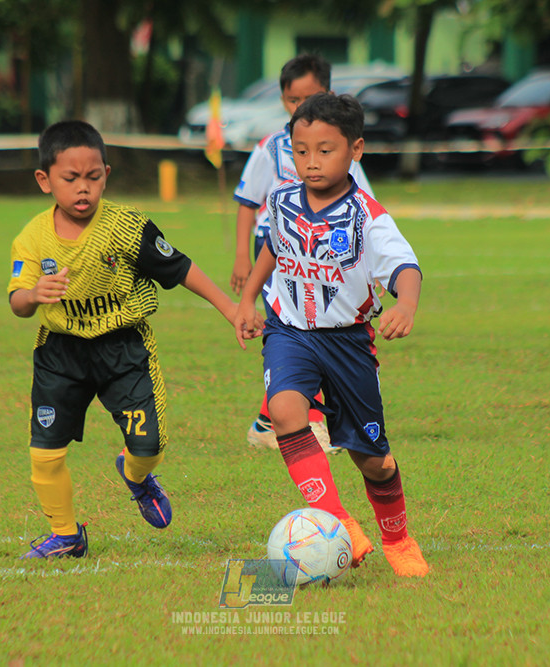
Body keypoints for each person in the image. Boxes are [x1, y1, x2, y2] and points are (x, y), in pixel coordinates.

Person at [9, 120, 248, 558]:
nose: (83, 188)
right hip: (60, 353)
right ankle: (65, 535)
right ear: (45, 180)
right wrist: (31, 294)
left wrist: (231, 309)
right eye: (71, 178)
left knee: (148, 446)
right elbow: (18, 303)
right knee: (44, 453)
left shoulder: (127, 228)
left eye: (93, 177)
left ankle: (136, 476)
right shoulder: (32, 238)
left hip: (123, 349)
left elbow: (180, 268)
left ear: (106, 174)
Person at [233, 92, 430, 577]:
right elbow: (273, 250)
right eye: (301, 151)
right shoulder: (280, 200)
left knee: (373, 460)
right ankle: (340, 522)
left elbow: (405, 266)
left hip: (348, 343)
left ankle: (398, 538)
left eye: (326, 150)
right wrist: (246, 300)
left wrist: (405, 303)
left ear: (355, 150)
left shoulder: (367, 216)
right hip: (290, 330)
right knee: (283, 411)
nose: (311, 162)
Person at [231, 53, 374, 454]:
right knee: (293, 330)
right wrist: (243, 258)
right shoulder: (272, 148)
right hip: (277, 250)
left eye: (308, 98)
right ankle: (310, 422)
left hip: (327, 254)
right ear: (282, 101)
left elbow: (365, 208)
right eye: (292, 101)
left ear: (328, 94)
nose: (300, 108)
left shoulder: (341, 150)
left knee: (316, 330)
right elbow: (247, 200)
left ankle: (269, 421)